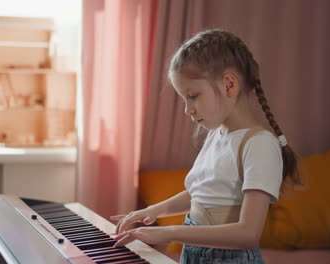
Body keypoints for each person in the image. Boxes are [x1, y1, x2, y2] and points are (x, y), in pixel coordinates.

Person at [110, 29, 301, 264]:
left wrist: (169, 232)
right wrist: (153, 211)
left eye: (193, 96)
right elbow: (201, 194)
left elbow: (248, 234)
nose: (187, 109)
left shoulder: (259, 145)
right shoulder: (216, 134)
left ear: (229, 85)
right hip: (194, 253)